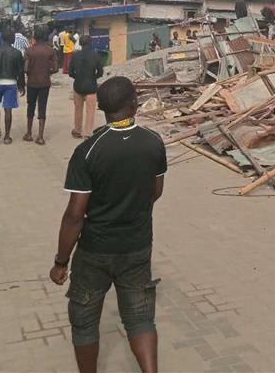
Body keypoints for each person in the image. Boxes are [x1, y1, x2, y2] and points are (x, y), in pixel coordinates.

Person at [49, 76, 166, 373]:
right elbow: (156, 192)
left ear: (100, 107)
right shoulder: (153, 142)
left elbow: (75, 214)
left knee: (85, 321)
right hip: (138, 246)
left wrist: (61, 262)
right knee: (140, 319)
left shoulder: (87, 151)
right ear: (134, 104)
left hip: (95, 252)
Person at [23, 26, 59, 145]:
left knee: (30, 106)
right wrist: (47, 72)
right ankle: (40, 136)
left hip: (32, 83)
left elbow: (26, 69)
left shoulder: (29, 51)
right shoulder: (50, 51)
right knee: (42, 107)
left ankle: (29, 133)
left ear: (34, 37)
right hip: (45, 83)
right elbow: (55, 68)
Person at [69, 35, 104, 139]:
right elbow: (100, 72)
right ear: (90, 43)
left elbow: (70, 72)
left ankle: (77, 130)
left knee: (78, 109)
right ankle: (88, 133)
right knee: (90, 111)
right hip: (91, 86)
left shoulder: (75, 55)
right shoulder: (96, 55)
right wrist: (93, 77)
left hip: (78, 85)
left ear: (79, 43)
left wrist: (78, 76)